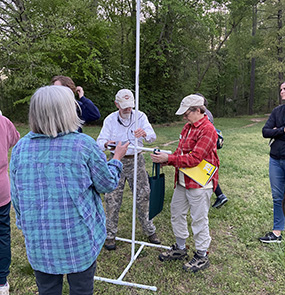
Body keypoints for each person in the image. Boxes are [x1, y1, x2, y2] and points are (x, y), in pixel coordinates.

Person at [9, 85, 128, 295]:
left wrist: (24, 225)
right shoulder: (83, 145)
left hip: (39, 241)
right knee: (81, 290)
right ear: (67, 111)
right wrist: (117, 159)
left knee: (47, 290)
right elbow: (108, 183)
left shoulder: (20, 147)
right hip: (78, 240)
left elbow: (17, 195)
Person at [150, 94, 219, 273]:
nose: (184, 117)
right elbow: (181, 152)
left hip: (199, 184)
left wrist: (170, 158)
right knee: (177, 212)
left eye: (186, 113)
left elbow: (195, 158)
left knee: (199, 218)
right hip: (182, 180)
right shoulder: (187, 127)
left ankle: (202, 255)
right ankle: (180, 248)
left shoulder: (208, 129)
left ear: (198, 110)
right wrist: (169, 160)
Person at [97, 89, 160, 250]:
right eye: (124, 106)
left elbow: (152, 136)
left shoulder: (140, 116)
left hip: (136, 160)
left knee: (143, 195)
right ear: (116, 104)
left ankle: (149, 230)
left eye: (130, 105)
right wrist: (106, 144)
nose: (127, 109)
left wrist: (145, 133)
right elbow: (100, 141)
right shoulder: (110, 119)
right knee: (112, 198)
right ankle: (110, 235)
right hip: (116, 160)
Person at [259, 81, 285, 243]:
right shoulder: (277, 111)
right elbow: (265, 131)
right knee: (277, 197)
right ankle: (277, 232)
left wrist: (276, 131)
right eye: (281, 89)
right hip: (275, 160)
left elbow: (272, 132)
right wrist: (282, 130)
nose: (281, 91)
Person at [0, 115, 20, 295]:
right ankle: (1, 282)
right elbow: (15, 138)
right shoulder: (4, 121)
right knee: (3, 234)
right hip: (2, 189)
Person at [198, 93, 228, 209]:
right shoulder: (208, 112)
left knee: (207, 172)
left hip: (206, 146)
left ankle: (220, 195)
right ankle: (219, 195)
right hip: (208, 145)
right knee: (207, 171)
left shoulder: (204, 114)